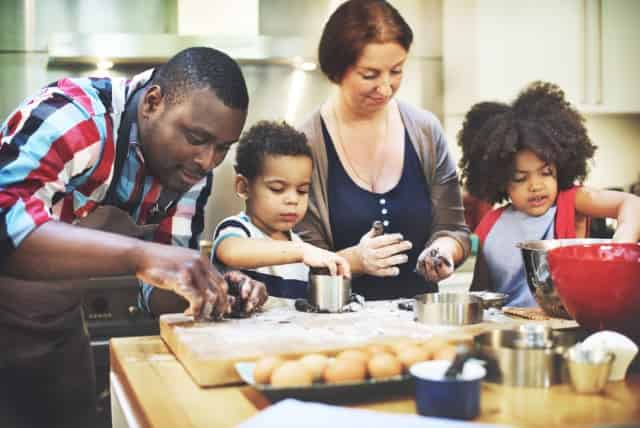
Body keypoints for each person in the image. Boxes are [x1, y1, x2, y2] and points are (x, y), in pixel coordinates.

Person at [0, 47, 267, 427]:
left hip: (59, 333)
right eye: (196, 138)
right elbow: (6, 225)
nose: (208, 161)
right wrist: (142, 256)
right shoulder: (77, 119)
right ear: (153, 103)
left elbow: (159, 293)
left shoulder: (188, 172)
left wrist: (211, 288)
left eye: (222, 147)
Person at [295, 0, 470, 300]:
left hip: (423, 326)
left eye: (397, 71)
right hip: (336, 329)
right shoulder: (306, 144)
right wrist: (354, 261)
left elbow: (454, 230)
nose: (386, 88)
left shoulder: (425, 131)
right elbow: (296, 258)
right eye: (370, 74)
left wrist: (444, 251)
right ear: (337, 70)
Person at [458, 81, 640, 306]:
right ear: (501, 180)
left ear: (560, 168)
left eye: (545, 173)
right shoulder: (491, 224)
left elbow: (632, 204)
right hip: (507, 333)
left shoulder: (571, 202)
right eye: (520, 178)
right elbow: (478, 295)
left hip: (564, 329)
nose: (535, 185)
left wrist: (619, 247)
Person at [211, 121, 350, 299]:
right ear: (244, 187)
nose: (293, 200)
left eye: (302, 190)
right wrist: (302, 252)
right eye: (277, 188)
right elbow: (230, 252)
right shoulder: (237, 230)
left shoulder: (299, 245)